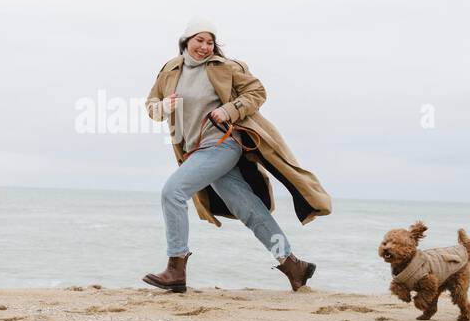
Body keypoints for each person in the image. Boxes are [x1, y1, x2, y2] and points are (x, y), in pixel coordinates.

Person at [142, 19, 331, 293]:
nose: (205, 47)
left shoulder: (225, 67)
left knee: (173, 192)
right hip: (195, 151)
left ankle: (176, 268)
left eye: (209, 42)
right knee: (250, 210)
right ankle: (294, 266)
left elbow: (257, 92)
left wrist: (229, 111)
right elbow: (151, 106)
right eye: (199, 41)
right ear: (186, 41)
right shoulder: (170, 71)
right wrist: (162, 106)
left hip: (222, 145)